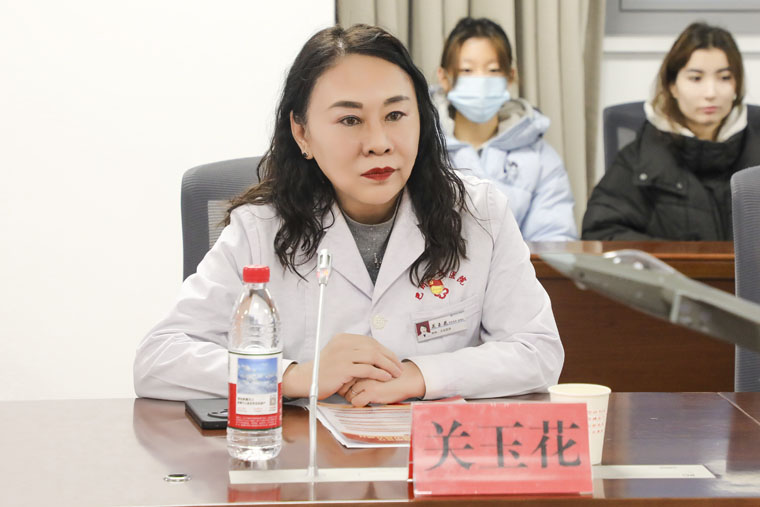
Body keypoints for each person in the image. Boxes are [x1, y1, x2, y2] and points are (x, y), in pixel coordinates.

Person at [133, 24, 563, 404]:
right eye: (350, 120)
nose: (379, 142)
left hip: (431, 460)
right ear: (302, 132)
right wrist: (296, 377)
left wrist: (421, 376)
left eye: (395, 114)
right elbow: (159, 359)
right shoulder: (260, 229)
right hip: (305, 459)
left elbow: (538, 351)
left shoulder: (479, 213)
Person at [583, 22, 760, 240]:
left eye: (724, 78)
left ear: (736, 86)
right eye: (696, 78)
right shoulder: (639, 159)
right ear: (672, 86)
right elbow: (600, 232)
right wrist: (665, 260)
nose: (711, 93)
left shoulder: (755, 147)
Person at [432, 17, 577, 242]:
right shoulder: (422, 147)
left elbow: (554, 240)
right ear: (444, 77)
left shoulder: (541, 159)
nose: (481, 80)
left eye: (493, 70)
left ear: (510, 76)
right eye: (467, 70)